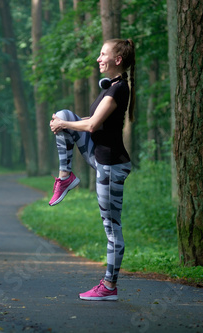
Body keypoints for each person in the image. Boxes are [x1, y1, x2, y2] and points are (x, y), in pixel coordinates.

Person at [48, 39, 135, 301]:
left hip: (111, 167)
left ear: (117, 60)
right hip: (99, 158)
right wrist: (63, 122)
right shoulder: (110, 87)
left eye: (103, 54)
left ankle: (109, 286)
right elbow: (90, 121)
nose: (98, 58)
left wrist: (65, 125)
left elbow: (93, 127)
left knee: (112, 228)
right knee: (62, 113)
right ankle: (66, 177)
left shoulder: (118, 89)